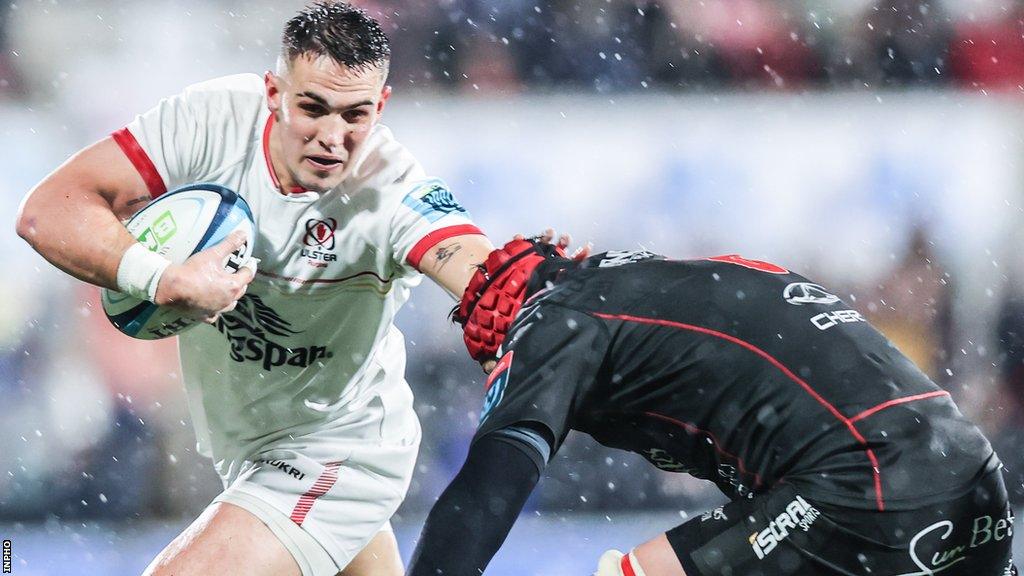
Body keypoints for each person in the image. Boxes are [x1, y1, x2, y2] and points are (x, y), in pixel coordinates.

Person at [15, 3, 496, 575]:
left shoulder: (390, 187)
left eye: (355, 115)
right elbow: (48, 211)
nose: (332, 137)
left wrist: (538, 283)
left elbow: (479, 270)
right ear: (273, 92)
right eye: (313, 108)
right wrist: (162, 278)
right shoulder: (210, 123)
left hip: (339, 449)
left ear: (381, 107)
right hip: (250, 447)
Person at [406, 239, 1017, 576]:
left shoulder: (552, 327)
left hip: (867, 487)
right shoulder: (672, 280)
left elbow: (486, 494)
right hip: (972, 477)